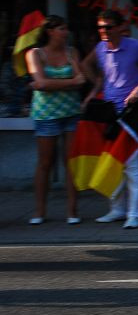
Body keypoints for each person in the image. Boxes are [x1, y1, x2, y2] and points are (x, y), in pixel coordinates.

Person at [82, 10, 138, 229]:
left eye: (107, 27)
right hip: (109, 112)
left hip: (130, 111)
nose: (103, 31)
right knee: (112, 162)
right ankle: (117, 210)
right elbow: (85, 65)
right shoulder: (100, 48)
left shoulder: (135, 46)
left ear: (118, 27)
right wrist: (97, 83)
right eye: (100, 27)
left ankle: (136, 214)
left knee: (131, 164)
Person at [25, 16, 86, 225]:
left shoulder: (72, 52)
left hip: (71, 112)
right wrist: (69, 82)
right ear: (50, 31)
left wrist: (52, 84)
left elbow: (82, 80)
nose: (66, 32)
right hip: (46, 114)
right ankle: (39, 212)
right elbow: (40, 83)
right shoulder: (35, 54)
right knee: (45, 163)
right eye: (61, 28)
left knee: (71, 162)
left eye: (66, 28)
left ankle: (73, 211)